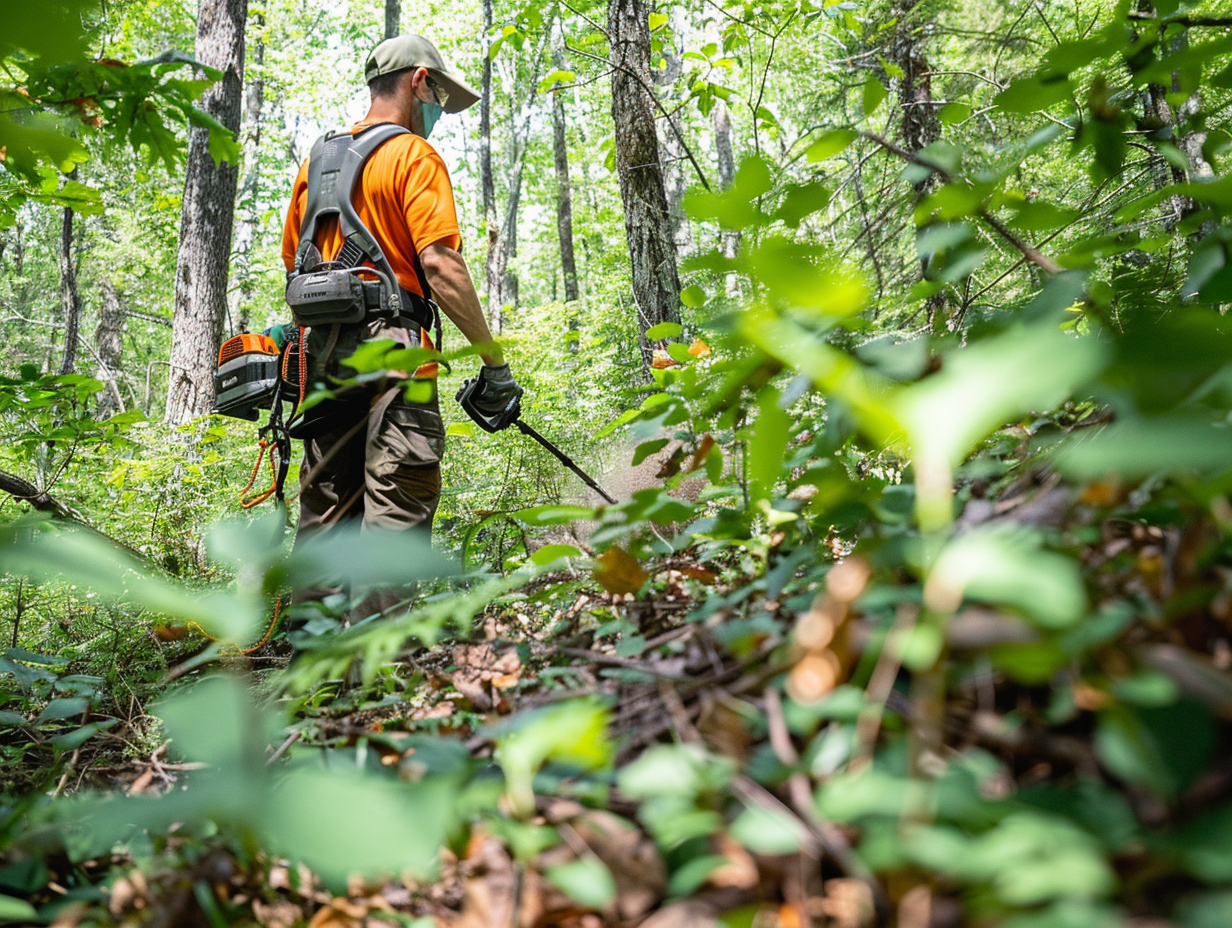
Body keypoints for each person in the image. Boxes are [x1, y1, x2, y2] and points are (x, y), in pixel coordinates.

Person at [280, 34, 520, 622]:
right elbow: (439, 263)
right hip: (394, 346)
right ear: (418, 81)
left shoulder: (317, 159)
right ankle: (381, 680)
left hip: (322, 351)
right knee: (398, 497)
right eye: (437, 92)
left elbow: (295, 264)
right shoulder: (414, 156)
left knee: (326, 512)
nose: (438, 107)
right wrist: (493, 363)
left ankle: (313, 677)